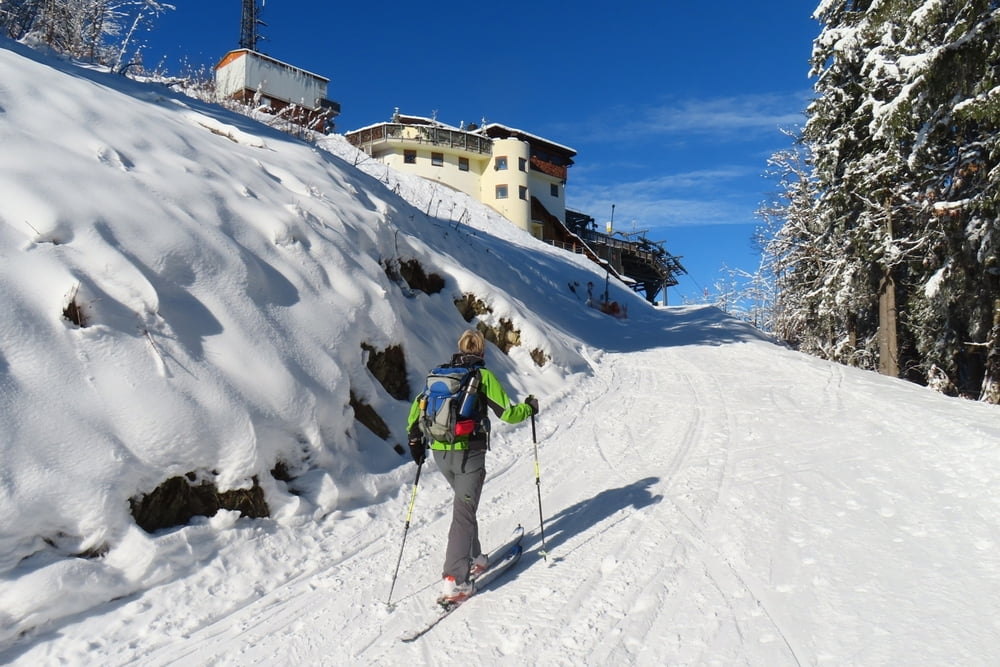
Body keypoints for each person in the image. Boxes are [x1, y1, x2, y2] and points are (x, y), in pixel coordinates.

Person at [406, 329, 539, 604]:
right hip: (469, 455)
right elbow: (509, 414)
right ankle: (455, 580)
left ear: (459, 348)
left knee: (465, 508)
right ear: (482, 352)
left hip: (441, 455)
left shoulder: (438, 375)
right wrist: (529, 408)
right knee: (463, 514)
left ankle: (475, 557)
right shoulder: (482, 377)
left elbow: (415, 412)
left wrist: (415, 442)